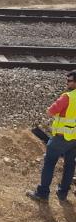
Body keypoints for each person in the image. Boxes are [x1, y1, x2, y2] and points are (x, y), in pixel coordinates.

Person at [27, 70, 76, 202]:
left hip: (61, 137)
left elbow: (51, 111)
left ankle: (42, 194)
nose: (67, 83)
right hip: (74, 139)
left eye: (69, 81)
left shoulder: (68, 97)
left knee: (49, 163)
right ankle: (63, 194)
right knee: (70, 165)